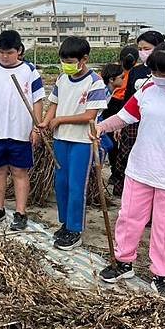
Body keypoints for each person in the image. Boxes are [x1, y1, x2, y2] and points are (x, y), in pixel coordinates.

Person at [95, 42, 165, 296]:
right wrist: (102, 127)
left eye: (163, 73)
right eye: (154, 72)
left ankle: (163, 273)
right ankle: (123, 261)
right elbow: (125, 116)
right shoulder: (148, 88)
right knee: (129, 217)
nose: (157, 78)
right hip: (140, 169)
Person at [39, 36, 107, 251]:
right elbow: (54, 104)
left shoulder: (95, 81)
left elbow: (90, 115)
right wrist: (46, 121)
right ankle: (65, 223)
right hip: (61, 139)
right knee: (61, 184)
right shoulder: (61, 79)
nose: (66, 65)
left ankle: (75, 229)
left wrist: (60, 120)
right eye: (64, 60)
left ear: (84, 58)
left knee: (77, 186)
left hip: (81, 142)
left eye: (70, 61)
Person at [0, 31, 45, 229]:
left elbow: (38, 101)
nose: (4, 57)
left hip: (20, 132)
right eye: (1, 53)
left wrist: (36, 128)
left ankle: (21, 212)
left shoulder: (30, 71)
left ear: (19, 51)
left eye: (9, 53)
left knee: (19, 171)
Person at [113, 31, 165, 196]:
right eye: (140, 48)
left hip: (158, 124)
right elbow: (128, 99)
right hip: (135, 122)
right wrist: (120, 124)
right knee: (128, 157)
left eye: (147, 48)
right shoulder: (136, 71)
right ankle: (128, 194)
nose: (143, 52)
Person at [105, 46, 138, 184]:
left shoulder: (123, 71)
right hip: (122, 106)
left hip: (118, 105)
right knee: (120, 142)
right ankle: (118, 172)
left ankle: (116, 172)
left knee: (114, 141)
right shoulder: (135, 72)